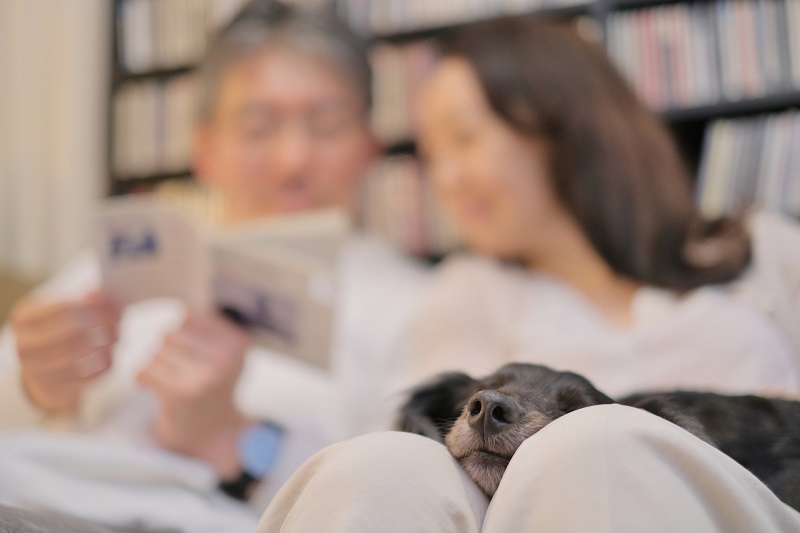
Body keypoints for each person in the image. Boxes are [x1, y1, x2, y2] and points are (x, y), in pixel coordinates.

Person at [257, 18, 800, 532]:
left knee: (596, 445)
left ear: (560, 122)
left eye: (464, 139)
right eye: (432, 155)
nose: (445, 178)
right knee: (382, 461)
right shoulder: (464, 294)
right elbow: (437, 473)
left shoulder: (758, 248)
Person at [0, 2, 428, 531]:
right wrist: (34, 385)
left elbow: (401, 500)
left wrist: (232, 440)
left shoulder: (416, 305)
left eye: (326, 125)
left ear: (370, 145)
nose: (292, 160)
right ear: (204, 148)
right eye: (257, 128)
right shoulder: (111, 266)